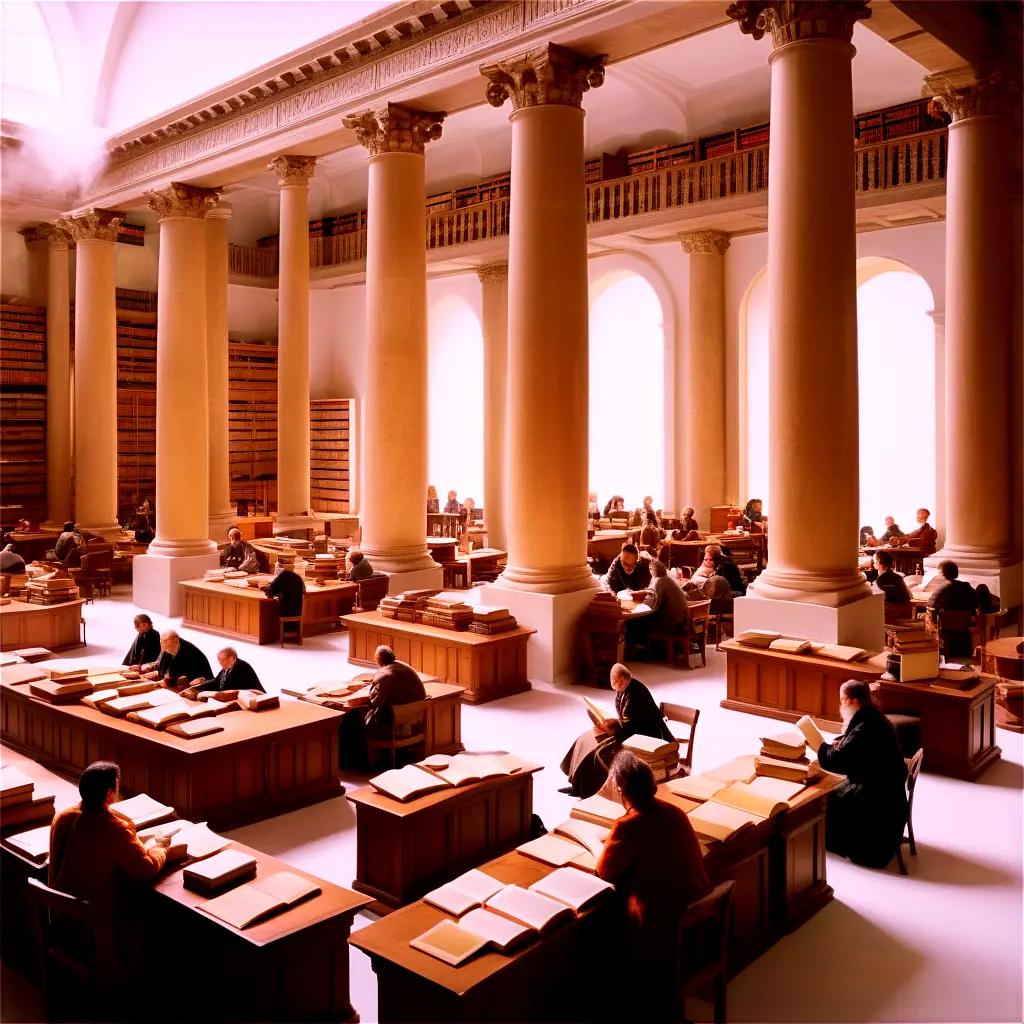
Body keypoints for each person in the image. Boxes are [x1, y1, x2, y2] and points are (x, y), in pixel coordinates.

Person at [597, 751, 711, 1022]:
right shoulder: (675, 812)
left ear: (621, 789)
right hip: (699, 912)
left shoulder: (627, 826)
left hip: (663, 928)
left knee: (602, 929)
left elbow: (605, 870)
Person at [49, 761, 185, 984]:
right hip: (91, 924)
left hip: (60, 913)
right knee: (146, 917)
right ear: (110, 793)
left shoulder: (63, 817)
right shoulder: (112, 827)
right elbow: (146, 868)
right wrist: (162, 848)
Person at [816, 680, 908, 868]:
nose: (841, 707)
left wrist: (821, 747)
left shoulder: (865, 726)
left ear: (854, 702)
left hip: (876, 804)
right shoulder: (875, 718)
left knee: (827, 799)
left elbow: (838, 761)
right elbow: (855, 750)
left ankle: (832, 842)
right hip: (889, 795)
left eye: (843, 701)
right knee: (835, 791)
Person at [560, 664, 674, 798]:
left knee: (600, 752)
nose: (611, 684)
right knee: (584, 739)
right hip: (630, 731)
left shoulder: (635, 695)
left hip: (643, 737)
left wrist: (611, 729)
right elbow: (625, 722)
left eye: (613, 681)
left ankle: (588, 789)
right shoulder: (624, 689)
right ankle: (576, 784)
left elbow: (631, 728)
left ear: (622, 680)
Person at [366, 645, 426, 736]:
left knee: (361, 715)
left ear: (379, 659)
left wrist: (372, 693)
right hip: (416, 714)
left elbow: (375, 702)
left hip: (396, 717)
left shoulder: (383, 674)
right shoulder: (406, 667)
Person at [628, 559, 688, 643]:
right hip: (680, 622)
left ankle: (636, 651)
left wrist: (638, 603)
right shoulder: (667, 579)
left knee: (633, 622)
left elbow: (652, 605)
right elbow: (652, 593)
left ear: (652, 570)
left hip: (670, 624)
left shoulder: (659, 581)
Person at [928, 560, 977, 657]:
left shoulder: (942, 587)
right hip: (964, 625)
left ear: (942, 573)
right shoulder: (966, 586)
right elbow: (975, 602)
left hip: (947, 626)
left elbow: (931, 604)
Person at [182, 647, 264, 701]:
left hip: (255, 698)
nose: (220, 663)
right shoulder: (228, 667)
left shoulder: (242, 668)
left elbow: (228, 690)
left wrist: (206, 695)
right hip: (237, 697)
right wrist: (196, 687)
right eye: (219, 660)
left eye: (222, 660)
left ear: (231, 658)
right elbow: (216, 681)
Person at [141, 631, 212, 689]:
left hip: (199, 682)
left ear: (176, 640)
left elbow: (181, 674)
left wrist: (160, 682)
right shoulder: (168, 647)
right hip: (180, 682)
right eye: (162, 646)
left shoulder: (189, 651)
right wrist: (156, 672)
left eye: (166, 648)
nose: (164, 650)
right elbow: (163, 668)